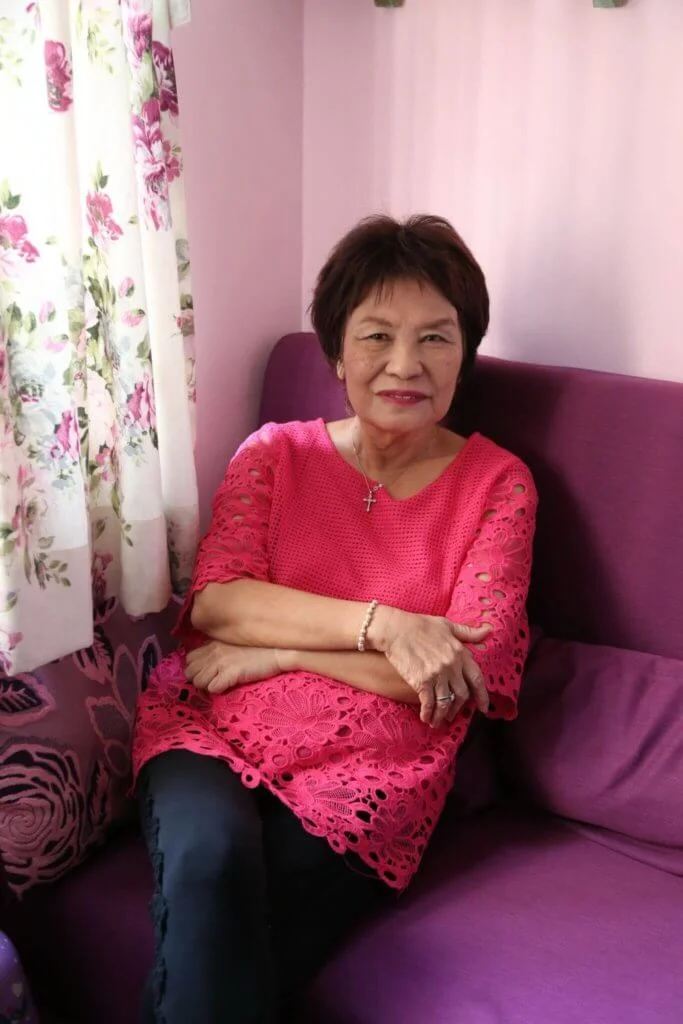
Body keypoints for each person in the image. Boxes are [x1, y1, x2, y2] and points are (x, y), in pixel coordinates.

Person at [132, 214, 538, 1023]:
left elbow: (465, 678)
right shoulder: (274, 455)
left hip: (376, 765)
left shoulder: (498, 485)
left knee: (258, 923)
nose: (404, 364)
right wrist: (384, 625)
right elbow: (217, 600)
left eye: (434, 338)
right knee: (209, 862)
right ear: (335, 355)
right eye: (377, 336)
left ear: (465, 353)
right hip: (209, 724)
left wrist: (279, 653)